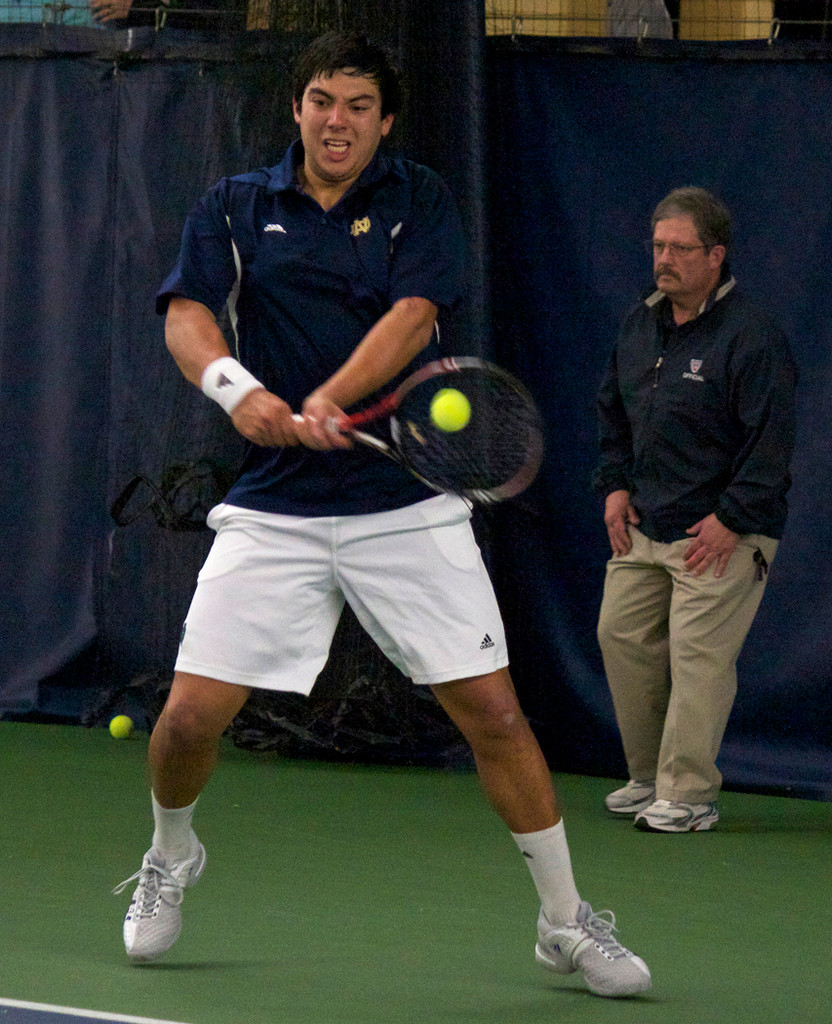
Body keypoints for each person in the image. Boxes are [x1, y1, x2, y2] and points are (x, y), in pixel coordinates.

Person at [112, 31, 651, 998]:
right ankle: (170, 853)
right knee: (189, 719)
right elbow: (187, 315)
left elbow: (412, 319)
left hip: (404, 507)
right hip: (275, 509)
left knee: (495, 713)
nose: (338, 121)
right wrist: (237, 389)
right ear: (298, 109)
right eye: (323, 101)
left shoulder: (419, 199)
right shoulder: (234, 205)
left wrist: (330, 396)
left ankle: (566, 922)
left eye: (359, 106)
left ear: (384, 121)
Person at [594, 187, 796, 833]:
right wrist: (614, 486)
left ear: (716, 256)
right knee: (619, 635)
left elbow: (771, 443)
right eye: (658, 246)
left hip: (724, 533)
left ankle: (689, 796)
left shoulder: (752, 337)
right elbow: (613, 413)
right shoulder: (639, 323)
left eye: (681, 249)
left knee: (697, 655)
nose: (665, 259)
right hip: (645, 524)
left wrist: (731, 518)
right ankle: (650, 779)